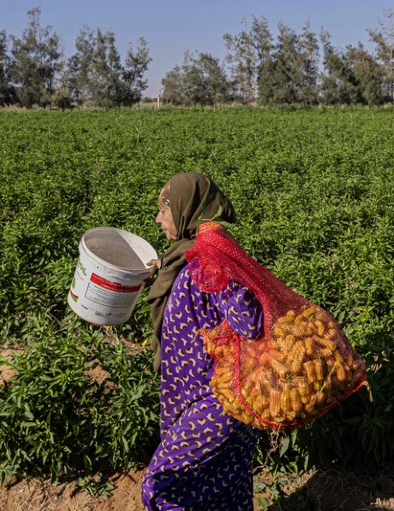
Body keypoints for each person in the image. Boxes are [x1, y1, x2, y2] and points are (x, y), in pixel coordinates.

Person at [142, 172, 263, 511]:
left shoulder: (208, 259)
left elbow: (249, 322)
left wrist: (219, 336)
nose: (158, 218)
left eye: (164, 209)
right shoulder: (189, 255)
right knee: (226, 493)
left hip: (215, 404)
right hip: (202, 397)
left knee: (162, 487)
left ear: (185, 208)